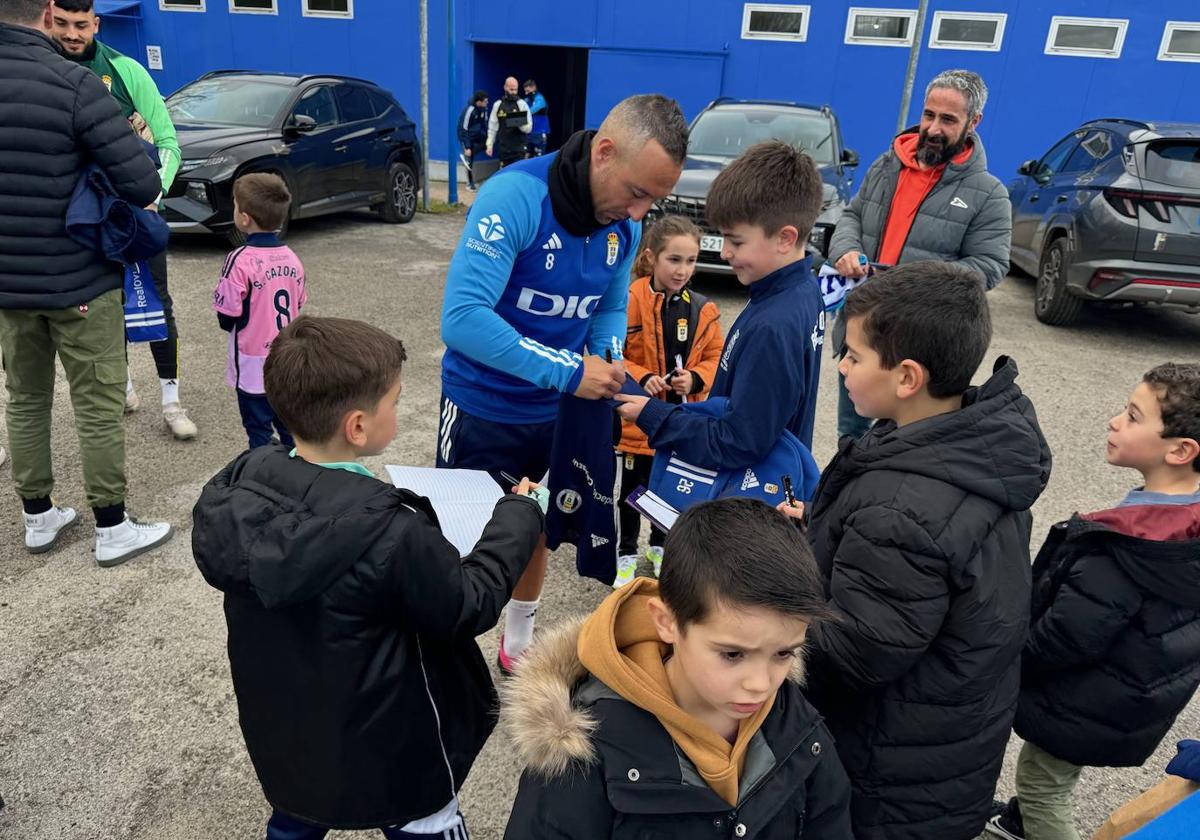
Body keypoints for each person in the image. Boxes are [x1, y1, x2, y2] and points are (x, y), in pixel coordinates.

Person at [191, 315, 548, 840]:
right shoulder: (391, 532)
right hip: (396, 751)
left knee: (295, 817)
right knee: (428, 826)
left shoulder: (242, 484)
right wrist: (517, 515)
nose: (399, 410)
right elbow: (467, 604)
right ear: (357, 426)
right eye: (396, 401)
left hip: (288, 737)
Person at [787, 262, 1050, 840]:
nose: (840, 366)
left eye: (853, 355)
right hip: (947, 750)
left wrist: (767, 611)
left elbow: (858, 652)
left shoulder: (902, 509)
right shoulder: (963, 443)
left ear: (907, 376)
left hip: (889, 772)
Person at [438, 93, 687, 673]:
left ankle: (518, 639)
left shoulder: (622, 227)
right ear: (603, 152)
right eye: (637, 192)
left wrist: (607, 356)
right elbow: (463, 319)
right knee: (459, 537)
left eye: (655, 199)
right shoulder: (514, 197)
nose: (638, 213)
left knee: (538, 527)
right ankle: (446, 642)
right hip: (484, 406)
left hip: (560, 413)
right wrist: (570, 370)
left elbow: (605, 307)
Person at [500, 497, 853, 839]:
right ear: (667, 622)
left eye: (784, 654)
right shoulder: (581, 753)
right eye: (732, 654)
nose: (761, 684)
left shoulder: (797, 726)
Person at [987, 363, 1200, 840]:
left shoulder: (1131, 545)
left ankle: (1034, 824)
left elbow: (1069, 633)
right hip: (1129, 691)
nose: (1114, 421)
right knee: (1057, 769)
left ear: (1181, 450)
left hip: (1088, 697)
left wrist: (1009, 660)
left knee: (1044, 780)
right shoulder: (1185, 523)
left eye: (1133, 415)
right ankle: (1020, 820)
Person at [0, 0, 174, 566]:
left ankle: (37, 517)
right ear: (48, 14)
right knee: (96, 404)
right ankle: (112, 527)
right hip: (79, 280)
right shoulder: (74, 84)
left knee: (25, 399)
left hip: (8, 286)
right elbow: (142, 178)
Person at [616, 141, 826, 470]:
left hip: (744, 504)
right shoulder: (803, 291)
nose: (725, 252)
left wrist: (654, 415)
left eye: (736, 241)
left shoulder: (773, 326)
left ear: (785, 238)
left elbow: (737, 442)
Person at [827, 69, 1011, 439]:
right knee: (852, 435)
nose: (934, 128)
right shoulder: (885, 165)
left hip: (921, 342)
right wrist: (846, 249)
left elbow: (989, 265)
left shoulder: (989, 194)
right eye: (929, 115)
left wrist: (915, 286)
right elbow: (852, 216)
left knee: (908, 441)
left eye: (948, 119)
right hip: (862, 328)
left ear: (974, 122)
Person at [49, 0, 197, 440]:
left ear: (96, 23)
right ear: (47, 20)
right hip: (79, 220)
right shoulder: (40, 69)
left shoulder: (125, 70)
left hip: (134, 216)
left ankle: (171, 401)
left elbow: (167, 140)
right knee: (101, 308)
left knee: (156, 303)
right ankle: (124, 387)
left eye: (81, 25)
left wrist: (152, 193)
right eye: (62, 24)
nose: (72, 34)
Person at [615, 215, 721, 587]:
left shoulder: (703, 309)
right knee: (631, 492)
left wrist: (694, 378)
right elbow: (613, 353)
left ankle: (660, 546)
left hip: (680, 422)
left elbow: (716, 358)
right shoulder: (629, 299)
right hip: (636, 424)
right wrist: (642, 376)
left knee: (671, 490)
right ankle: (626, 552)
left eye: (690, 261)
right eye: (674, 260)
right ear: (651, 257)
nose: (682, 270)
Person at [212, 173, 306, 450]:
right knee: (289, 428)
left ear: (244, 218)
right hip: (286, 360)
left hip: (253, 364)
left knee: (258, 431)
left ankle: (263, 476)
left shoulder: (239, 261)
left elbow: (227, 315)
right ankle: (297, 474)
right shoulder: (293, 258)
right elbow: (298, 302)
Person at [486, 76, 531, 168]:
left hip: (519, 149)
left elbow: (529, 128)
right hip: (504, 149)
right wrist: (489, 145)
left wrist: (519, 122)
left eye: (516, 90)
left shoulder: (522, 104)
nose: (514, 92)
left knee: (518, 175)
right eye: (511, 89)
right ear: (505, 87)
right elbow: (492, 127)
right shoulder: (498, 105)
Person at [457, 89, 489, 191]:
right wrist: (467, 147)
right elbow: (463, 128)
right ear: (479, 101)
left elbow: (485, 125)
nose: (487, 102)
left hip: (477, 136)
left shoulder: (484, 110)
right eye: (485, 101)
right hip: (466, 136)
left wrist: (489, 138)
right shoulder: (470, 110)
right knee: (469, 159)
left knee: (488, 144)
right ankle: (469, 184)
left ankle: (470, 154)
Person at [523, 78, 549, 157]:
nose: (526, 93)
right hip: (529, 132)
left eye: (528, 91)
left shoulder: (540, 99)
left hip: (539, 132)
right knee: (526, 155)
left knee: (538, 156)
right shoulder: (527, 99)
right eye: (525, 91)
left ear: (533, 87)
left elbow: (531, 111)